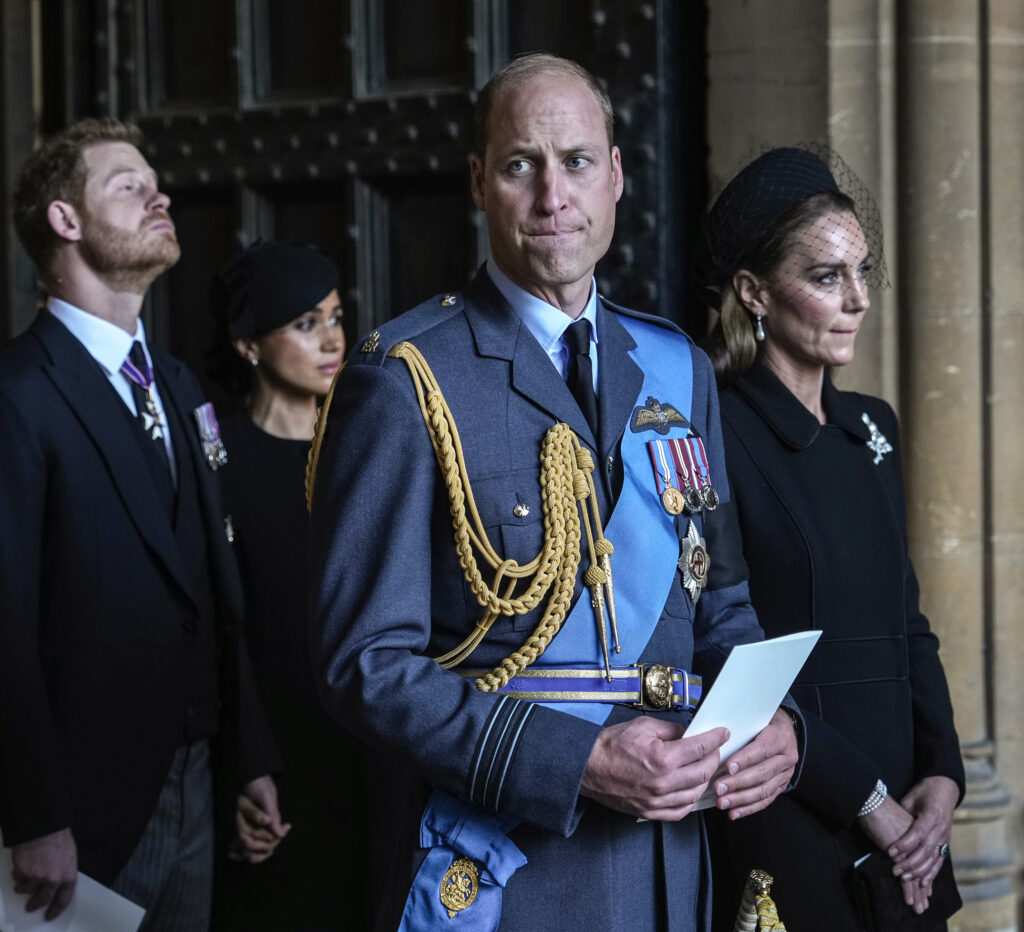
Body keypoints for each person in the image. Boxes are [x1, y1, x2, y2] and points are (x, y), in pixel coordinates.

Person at [307, 53, 801, 932]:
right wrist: (573, 763)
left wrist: (779, 728)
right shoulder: (407, 377)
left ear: (616, 176)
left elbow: (722, 608)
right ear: (477, 183)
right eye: (518, 165)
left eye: (575, 162)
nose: (551, 197)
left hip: (665, 865)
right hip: (508, 871)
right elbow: (365, 665)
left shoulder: (677, 368)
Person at [0, 118, 285, 930]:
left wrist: (247, 759)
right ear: (65, 220)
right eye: (128, 185)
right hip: (81, 810)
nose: (159, 195)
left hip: (198, 779)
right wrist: (33, 814)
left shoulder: (179, 384)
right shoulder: (18, 394)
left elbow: (214, 588)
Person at [697, 146, 965, 930]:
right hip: (792, 805)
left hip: (908, 815)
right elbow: (721, 649)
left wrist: (942, 777)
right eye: (825, 278)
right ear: (753, 292)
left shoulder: (871, 426)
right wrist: (867, 802)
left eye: (862, 272)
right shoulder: (711, 426)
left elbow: (908, 622)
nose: (857, 301)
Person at [206, 240, 371, 930]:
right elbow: (219, 627)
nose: (333, 339)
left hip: (366, 750)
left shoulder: (367, 447)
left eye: (335, 317)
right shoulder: (217, 459)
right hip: (266, 753)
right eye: (306, 324)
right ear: (249, 344)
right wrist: (243, 769)